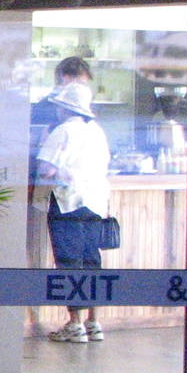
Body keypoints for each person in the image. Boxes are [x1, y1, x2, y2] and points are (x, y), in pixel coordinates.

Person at [35, 80, 111, 342]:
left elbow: (46, 170)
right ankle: (94, 322)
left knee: (69, 261)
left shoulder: (62, 131)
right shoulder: (97, 131)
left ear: (64, 109)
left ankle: (74, 323)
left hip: (68, 202)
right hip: (96, 203)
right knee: (92, 260)